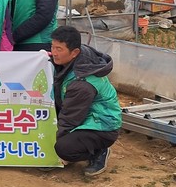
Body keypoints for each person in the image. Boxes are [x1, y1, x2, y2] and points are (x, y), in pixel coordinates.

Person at [50, 26, 122, 176]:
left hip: (103, 125)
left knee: (63, 148)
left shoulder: (82, 84)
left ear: (74, 52)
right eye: (52, 47)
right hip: (87, 115)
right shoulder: (80, 58)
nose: (54, 53)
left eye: (59, 49)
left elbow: (70, 117)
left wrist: (57, 150)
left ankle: (99, 152)